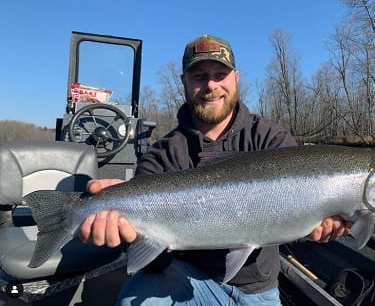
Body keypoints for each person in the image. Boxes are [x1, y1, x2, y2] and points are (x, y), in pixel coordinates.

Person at [79, 34, 351, 306]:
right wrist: (127, 234)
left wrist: (317, 224)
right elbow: (153, 263)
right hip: (187, 282)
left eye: (220, 74)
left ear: (236, 78)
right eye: (199, 76)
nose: (211, 85)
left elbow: (298, 214)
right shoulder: (161, 154)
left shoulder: (271, 140)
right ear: (184, 82)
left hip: (259, 292)